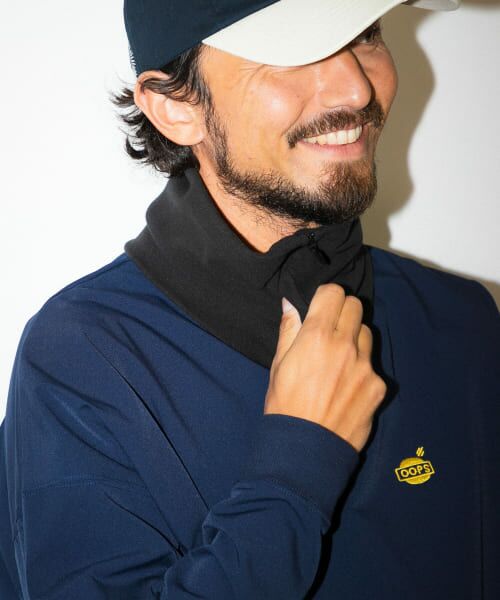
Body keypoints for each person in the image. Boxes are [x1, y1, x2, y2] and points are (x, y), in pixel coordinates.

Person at [0, 0, 498, 597]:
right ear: (175, 107)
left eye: (366, 34)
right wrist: (298, 468)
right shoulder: (83, 361)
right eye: (296, 51)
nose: (356, 89)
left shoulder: (462, 322)